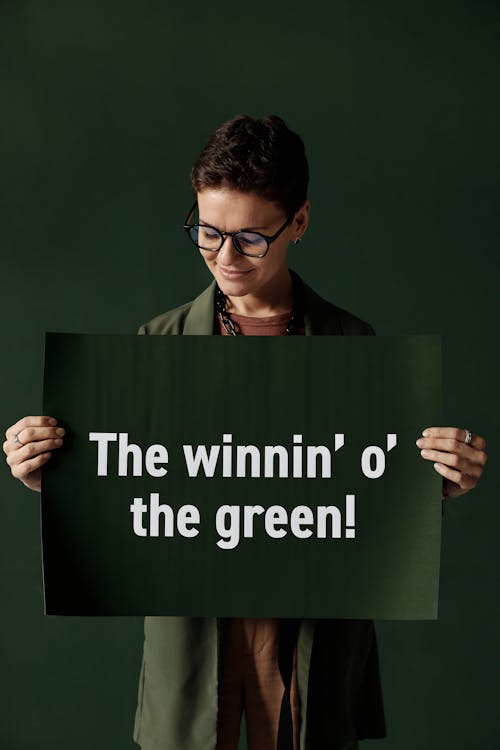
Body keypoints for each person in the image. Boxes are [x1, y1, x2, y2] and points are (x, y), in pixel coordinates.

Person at [3, 114, 488, 750]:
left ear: (300, 222)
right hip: (197, 632)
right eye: (207, 233)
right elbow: (134, 489)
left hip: (306, 633)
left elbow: (370, 498)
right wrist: (54, 476)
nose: (225, 258)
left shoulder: (354, 347)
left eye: (252, 238)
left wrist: (437, 482)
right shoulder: (157, 346)